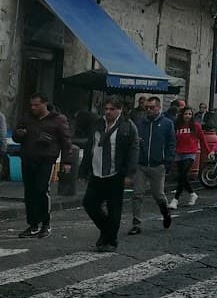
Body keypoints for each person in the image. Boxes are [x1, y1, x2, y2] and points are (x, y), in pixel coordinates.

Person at [78, 98, 138, 251]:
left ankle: (111, 241)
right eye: (106, 109)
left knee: (114, 208)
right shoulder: (98, 124)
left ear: (119, 110)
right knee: (89, 203)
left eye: (112, 109)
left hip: (115, 173)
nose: (108, 112)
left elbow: (133, 151)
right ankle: (106, 231)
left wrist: (129, 174)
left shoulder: (128, 127)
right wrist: (83, 170)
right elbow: (89, 147)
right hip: (97, 171)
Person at [12, 94, 71, 240]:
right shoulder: (27, 118)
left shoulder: (58, 120)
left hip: (46, 160)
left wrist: (67, 162)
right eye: (31, 105)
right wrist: (19, 134)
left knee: (42, 190)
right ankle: (33, 224)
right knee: (29, 193)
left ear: (44, 104)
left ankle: (46, 224)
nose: (33, 108)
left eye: (36, 105)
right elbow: (16, 136)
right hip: (28, 158)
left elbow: (66, 142)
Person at [129, 96, 176, 236]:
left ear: (158, 108)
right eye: (147, 108)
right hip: (141, 165)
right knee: (137, 194)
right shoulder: (140, 123)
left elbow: (171, 144)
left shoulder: (167, 123)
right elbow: (134, 143)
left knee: (158, 194)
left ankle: (165, 212)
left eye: (152, 107)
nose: (149, 110)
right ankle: (136, 224)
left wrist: (167, 162)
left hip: (158, 165)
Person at [169, 106, 208, 209]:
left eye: (190, 114)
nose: (188, 116)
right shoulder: (177, 125)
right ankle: (192, 194)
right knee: (182, 177)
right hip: (178, 153)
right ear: (182, 115)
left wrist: (208, 152)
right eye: (186, 114)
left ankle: (175, 199)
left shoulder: (196, 126)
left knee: (182, 174)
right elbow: (172, 139)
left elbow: (203, 140)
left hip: (190, 153)